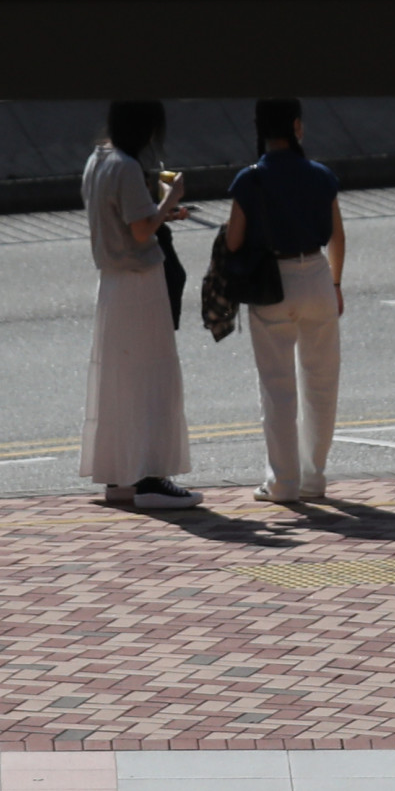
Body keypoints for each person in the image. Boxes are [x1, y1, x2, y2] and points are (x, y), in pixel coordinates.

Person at [219, 98, 346, 504]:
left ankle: (283, 482)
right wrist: (337, 284)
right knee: (321, 383)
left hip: (273, 284)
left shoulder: (249, 179)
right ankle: (315, 476)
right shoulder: (321, 176)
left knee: (277, 388)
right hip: (318, 278)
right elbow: (338, 237)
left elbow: (234, 241)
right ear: (296, 127)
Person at [80, 101, 202, 511]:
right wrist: (170, 198)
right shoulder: (127, 167)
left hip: (111, 284)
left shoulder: (96, 161)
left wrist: (162, 214)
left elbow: (122, 222)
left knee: (118, 382)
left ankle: (119, 477)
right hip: (140, 282)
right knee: (153, 379)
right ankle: (151, 478)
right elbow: (139, 230)